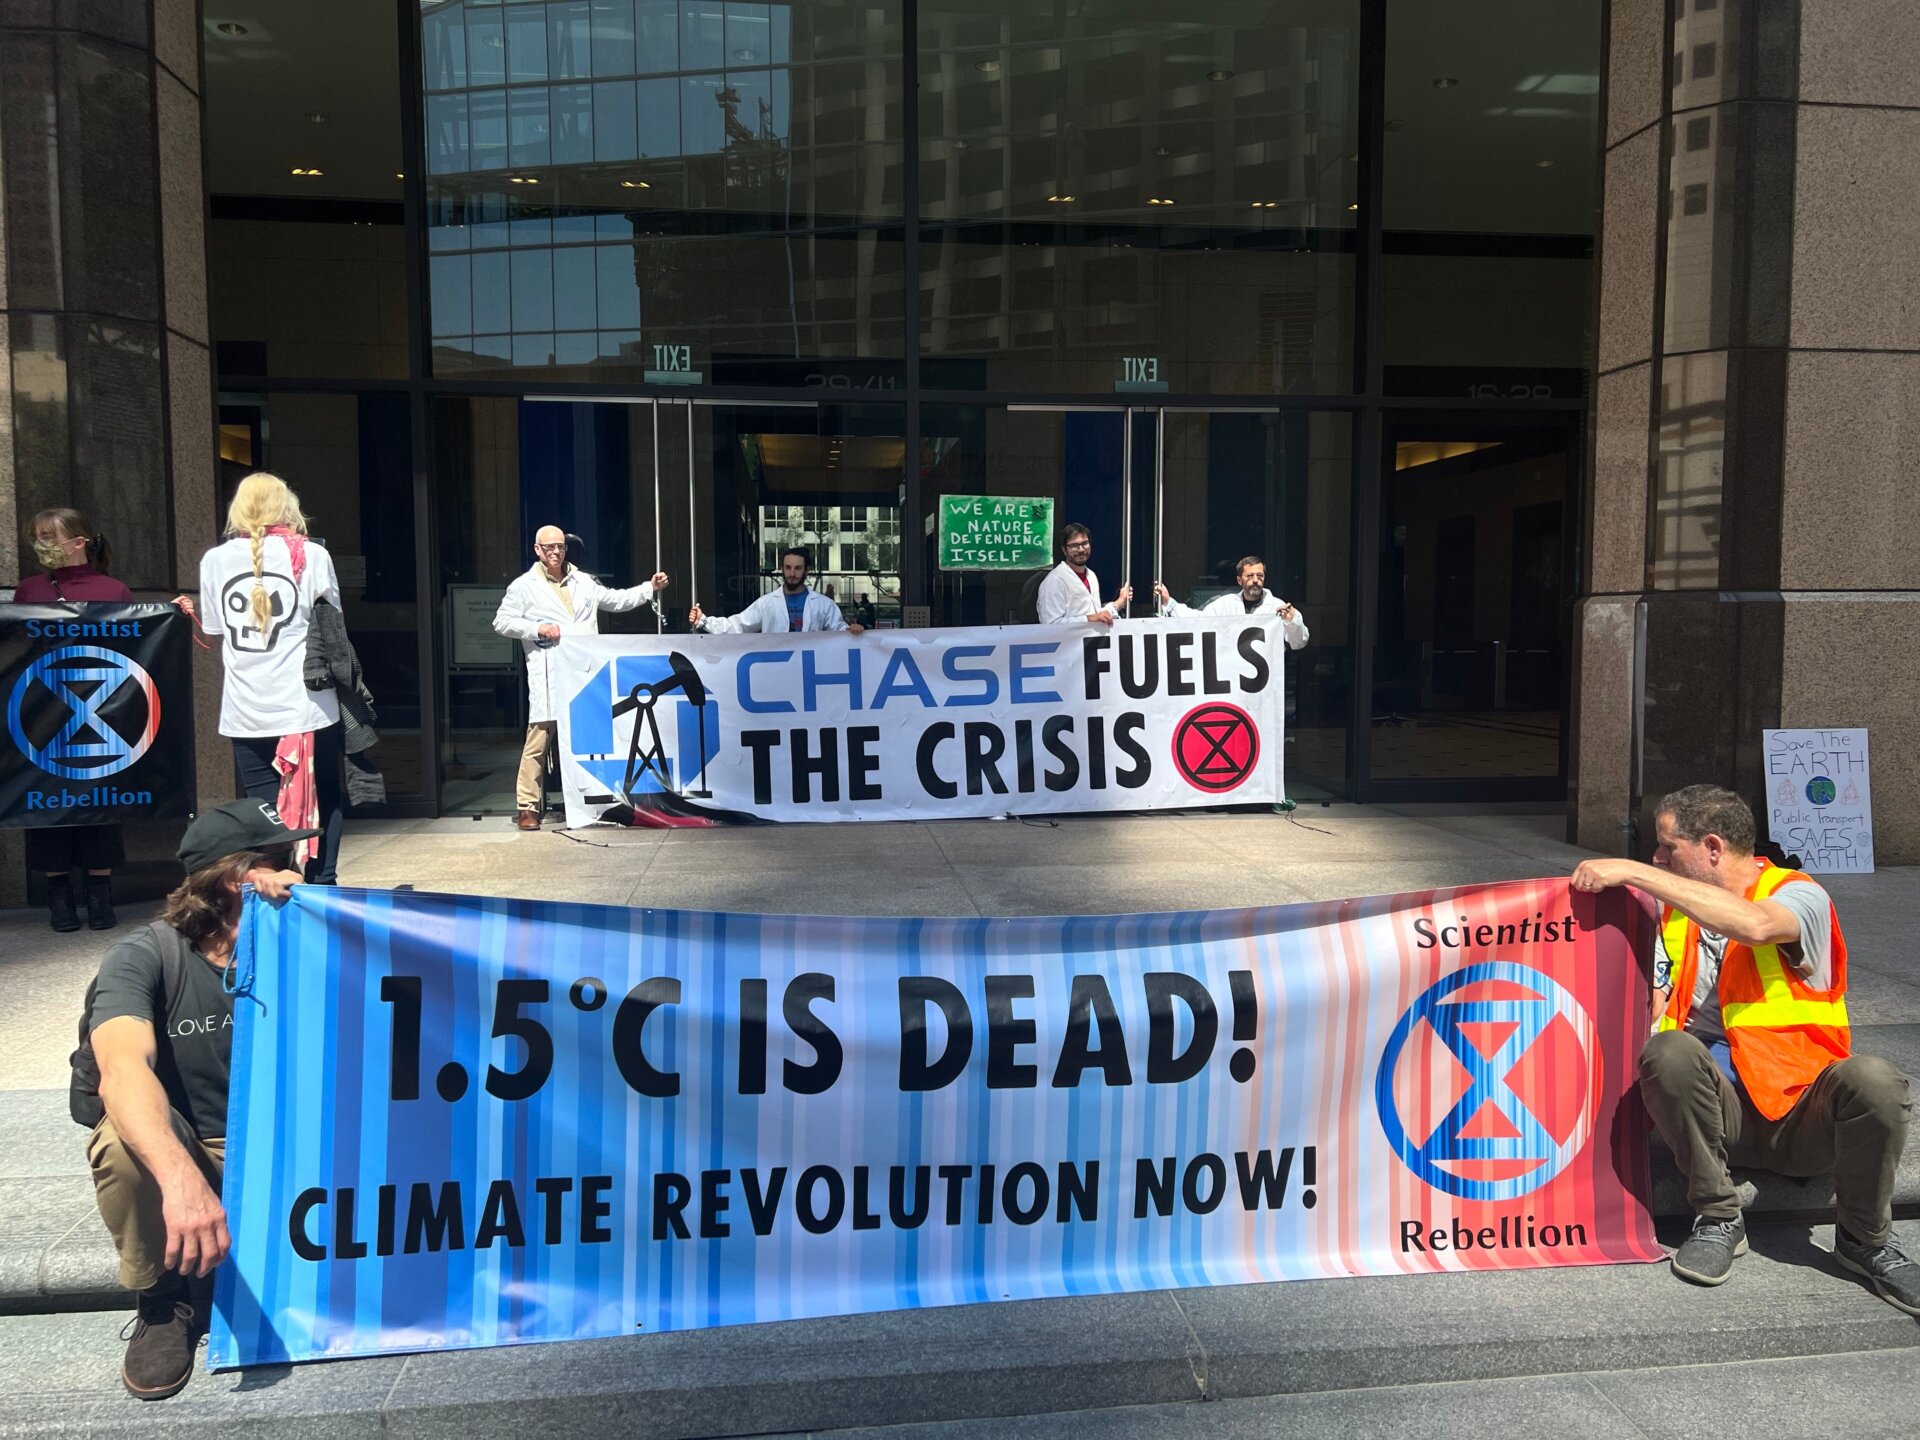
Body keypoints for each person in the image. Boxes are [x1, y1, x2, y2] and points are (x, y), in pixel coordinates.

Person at [1570, 784, 1916, 1311]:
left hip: (1803, 1114)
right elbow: (1645, 1002)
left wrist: (1634, 872)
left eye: (1667, 847)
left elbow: (1755, 927)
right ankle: (1717, 1217)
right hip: (1720, 1117)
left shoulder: (1800, 894)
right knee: (1669, 1051)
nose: (1657, 858)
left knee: (1876, 1079)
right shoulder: (1674, 916)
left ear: (1712, 847)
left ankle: (1864, 1241)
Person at [81, 799, 311, 1400]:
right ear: (237, 877)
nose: (298, 869)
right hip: (203, 1147)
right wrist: (183, 1183)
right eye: (282, 858)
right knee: (123, 1140)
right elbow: (121, 1069)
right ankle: (161, 1299)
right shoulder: (145, 955)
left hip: (291, 1144)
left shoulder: (303, 933)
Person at [193, 473, 346, 884]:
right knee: (325, 797)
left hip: (247, 706)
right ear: (287, 507)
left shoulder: (214, 560)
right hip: (307, 705)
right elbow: (332, 620)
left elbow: (214, 627)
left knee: (262, 807)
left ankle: (272, 884)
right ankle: (322, 885)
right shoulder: (311, 555)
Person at [492, 525, 669, 831]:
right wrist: (537, 629)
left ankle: (597, 802)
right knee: (539, 741)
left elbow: (616, 600)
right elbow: (501, 621)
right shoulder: (524, 586)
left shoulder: (584, 581)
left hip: (584, 675)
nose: (556, 552)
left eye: (560, 546)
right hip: (548, 672)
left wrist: (648, 588)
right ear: (537, 550)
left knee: (589, 741)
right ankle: (527, 806)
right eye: (549, 548)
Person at [13, 508, 136, 931]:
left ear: (78, 540)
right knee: (48, 801)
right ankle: (59, 895)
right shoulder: (28, 590)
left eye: (49, 535)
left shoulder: (115, 590)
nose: (41, 543)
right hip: (44, 714)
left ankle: (100, 894)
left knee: (101, 800)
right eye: (36, 536)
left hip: (102, 711)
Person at [689, 547, 865, 636]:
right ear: (782, 568)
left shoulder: (823, 604)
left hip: (811, 672)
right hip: (776, 674)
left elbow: (840, 632)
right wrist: (704, 621)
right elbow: (738, 625)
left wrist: (853, 630)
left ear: (806, 571)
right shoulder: (767, 603)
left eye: (797, 568)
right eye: (788, 568)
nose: (792, 573)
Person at [1152, 554, 1310, 652]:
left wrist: (1292, 621)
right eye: (1250, 576)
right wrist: (1169, 601)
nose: (1255, 580)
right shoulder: (1226, 604)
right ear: (1239, 580)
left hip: (1266, 686)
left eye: (1259, 575)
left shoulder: (1278, 607)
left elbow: (1299, 643)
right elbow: (1198, 620)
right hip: (1233, 682)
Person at [1037, 523, 1132, 625]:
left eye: (1085, 543)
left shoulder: (1091, 576)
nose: (1081, 549)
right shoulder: (1054, 581)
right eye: (1074, 545)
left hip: (1093, 640)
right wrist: (1089, 618)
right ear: (1064, 550)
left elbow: (1097, 614)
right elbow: (1050, 625)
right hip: (1070, 641)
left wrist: (1120, 601)